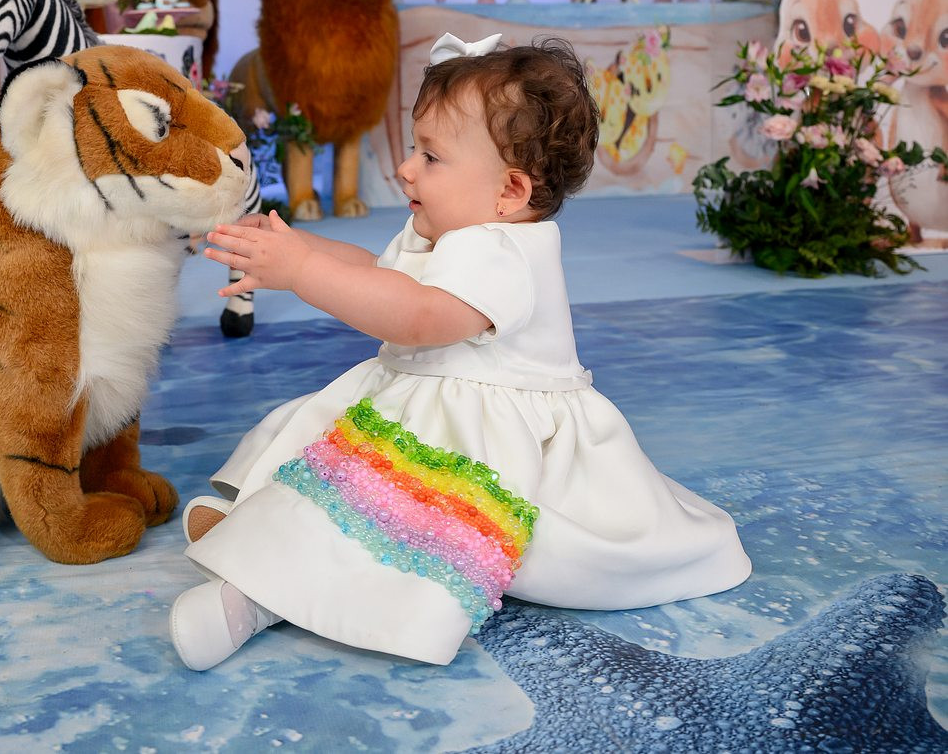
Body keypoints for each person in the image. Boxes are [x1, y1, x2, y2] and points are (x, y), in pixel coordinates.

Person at [169, 33, 752, 672]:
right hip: (425, 405)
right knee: (334, 444)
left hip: (480, 439)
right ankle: (266, 522)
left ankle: (254, 596)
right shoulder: (456, 230)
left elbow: (420, 317)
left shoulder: (505, 253)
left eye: (431, 156)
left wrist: (303, 272)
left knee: (394, 504)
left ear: (510, 191)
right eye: (414, 149)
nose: (406, 169)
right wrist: (299, 248)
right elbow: (382, 274)